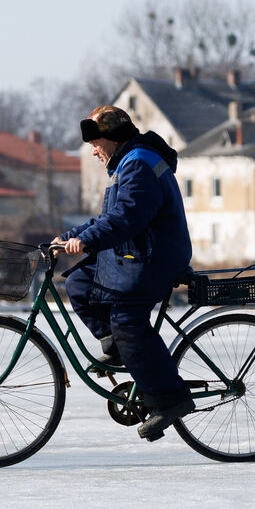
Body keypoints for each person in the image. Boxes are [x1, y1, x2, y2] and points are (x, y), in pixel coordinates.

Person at [53, 106, 195, 442]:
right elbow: (110, 217)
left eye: (96, 141)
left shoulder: (139, 164)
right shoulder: (127, 162)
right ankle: (119, 348)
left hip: (154, 257)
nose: (93, 150)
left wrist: (86, 241)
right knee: (78, 282)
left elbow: (128, 218)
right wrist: (70, 237)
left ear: (114, 138)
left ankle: (170, 399)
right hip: (135, 253)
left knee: (127, 318)